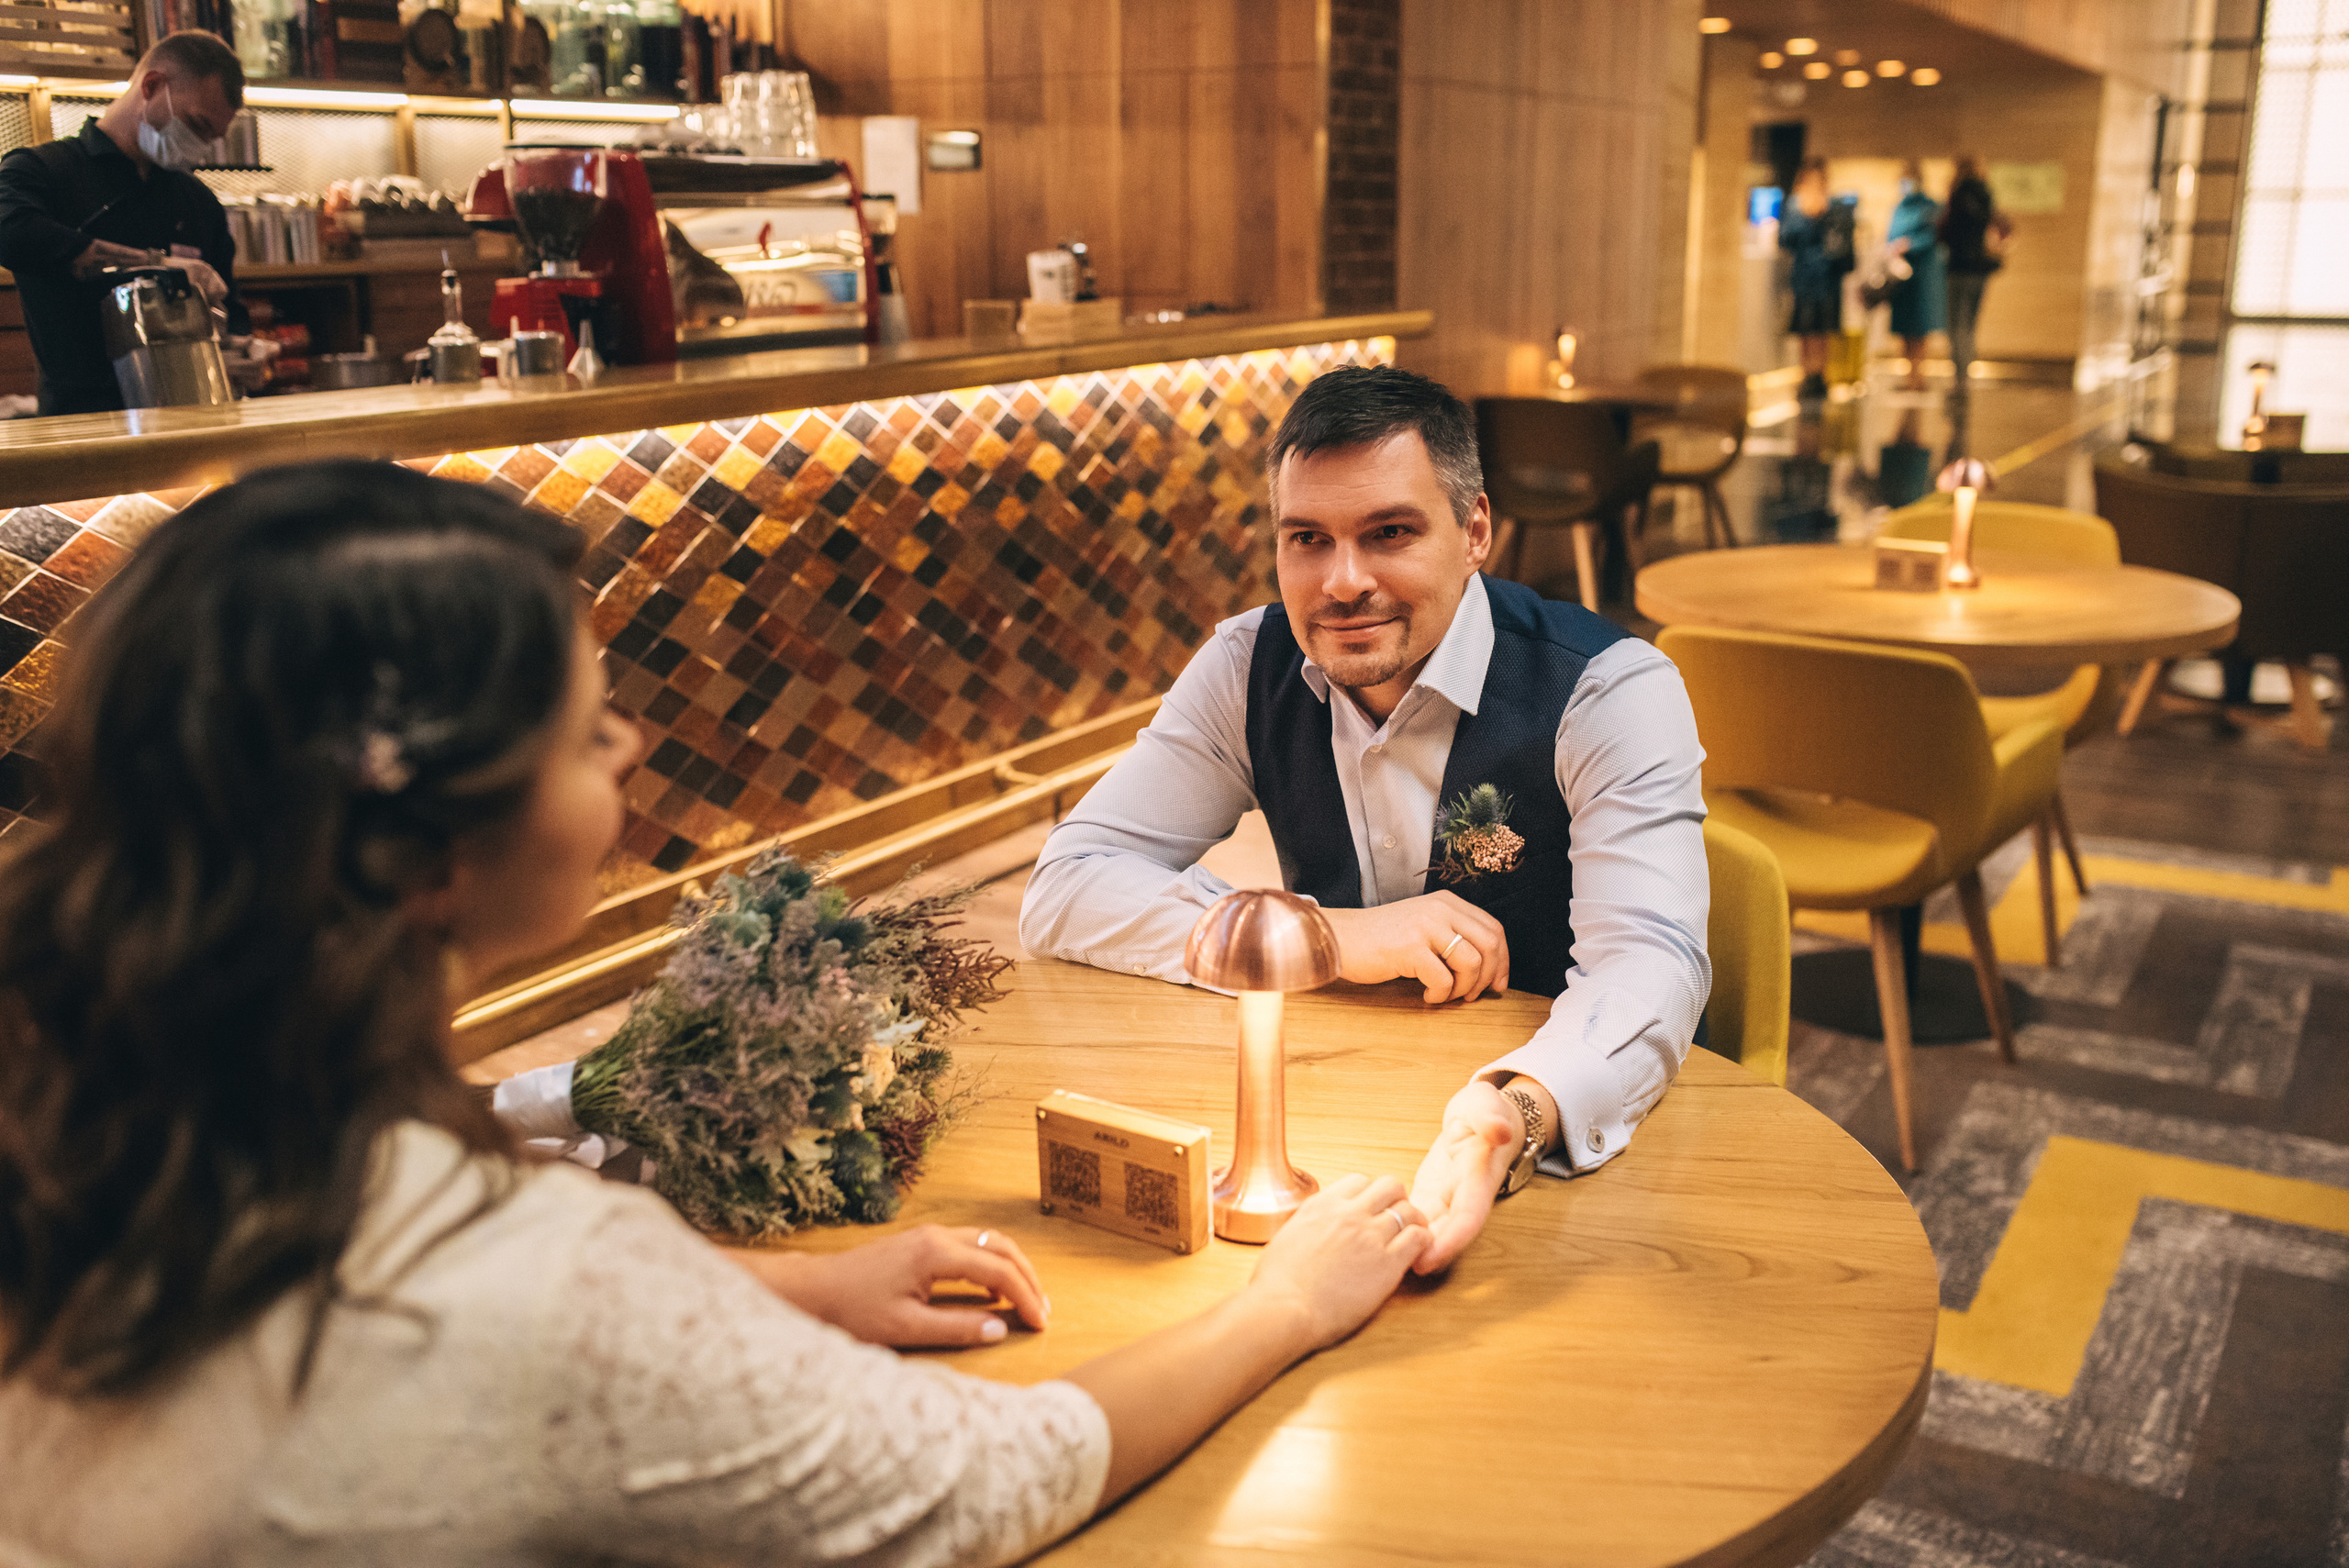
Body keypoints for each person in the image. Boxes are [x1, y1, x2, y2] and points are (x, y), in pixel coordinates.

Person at [0, 462, 1431, 1564]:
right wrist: (1285, 1305)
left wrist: (801, 1287)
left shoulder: (98, 1115)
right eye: (586, 725)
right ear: (437, 853)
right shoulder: (548, 1278)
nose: (625, 745)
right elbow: (1002, 1477)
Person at [1020, 366, 1710, 1277]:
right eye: (1308, 539)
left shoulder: (1609, 688)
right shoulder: (1244, 665)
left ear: (1474, 532)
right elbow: (1066, 886)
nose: (1342, 583)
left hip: (1558, 1144)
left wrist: (1519, 1107)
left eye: (1388, 533)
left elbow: (1649, 964)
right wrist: (1331, 937)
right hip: (1328, 1113)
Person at [0, 32, 258, 416]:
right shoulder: (43, 170)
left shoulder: (198, 201)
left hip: (194, 422)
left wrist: (241, 350)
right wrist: (160, 266)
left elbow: (228, 309)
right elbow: (13, 232)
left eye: (212, 138)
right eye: (197, 124)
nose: (201, 147)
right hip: (81, 424)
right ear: (152, 86)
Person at [1777, 156, 1852, 398]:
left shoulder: (1834, 207)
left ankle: (1821, 374)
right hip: (1804, 277)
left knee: (1823, 327)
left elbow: (1840, 244)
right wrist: (1807, 215)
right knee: (1805, 328)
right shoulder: (1794, 207)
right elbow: (1786, 239)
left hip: (1827, 278)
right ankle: (1807, 373)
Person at [1940, 154, 2009, 395]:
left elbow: (1946, 231)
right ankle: (1965, 376)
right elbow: (2001, 225)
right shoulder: (1985, 194)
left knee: (1955, 324)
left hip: (1958, 267)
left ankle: (1957, 376)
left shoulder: (1957, 194)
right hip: (1979, 268)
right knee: (1969, 324)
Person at [1884, 161, 1946, 391]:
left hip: (1922, 276)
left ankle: (1918, 375)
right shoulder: (1899, 208)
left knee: (1920, 329)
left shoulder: (1930, 207)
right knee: (1904, 329)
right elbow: (1890, 235)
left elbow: (1933, 236)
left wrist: (1910, 244)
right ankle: (1908, 373)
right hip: (1901, 278)